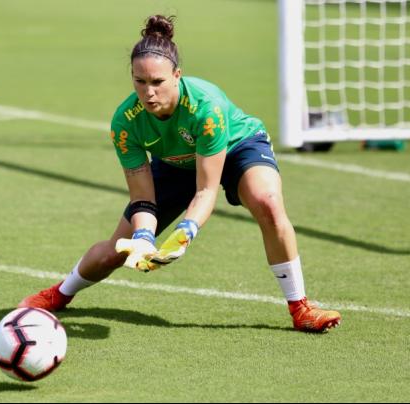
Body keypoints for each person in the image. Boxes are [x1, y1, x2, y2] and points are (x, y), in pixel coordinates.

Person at [19, 15, 341, 332]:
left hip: (235, 147)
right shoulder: (125, 123)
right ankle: (59, 295)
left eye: (158, 82)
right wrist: (144, 238)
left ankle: (300, 308)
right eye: (139, 82)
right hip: (176, 164)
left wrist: (185, 233)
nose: (148, 93)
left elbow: (206, 191)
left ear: (177, 75)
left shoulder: (206, 109)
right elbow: (142, 198)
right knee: (117, 249)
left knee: (267, 202)